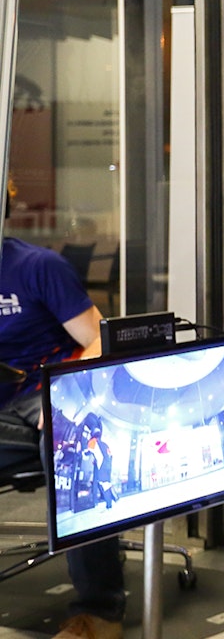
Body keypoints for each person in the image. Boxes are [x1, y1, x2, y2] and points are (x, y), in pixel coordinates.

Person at [0, 179, 121, 639]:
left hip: (40, 400)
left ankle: (100, 612)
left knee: (72, 448)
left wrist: (63, 397)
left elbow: (96, 339)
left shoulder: (36, 267)